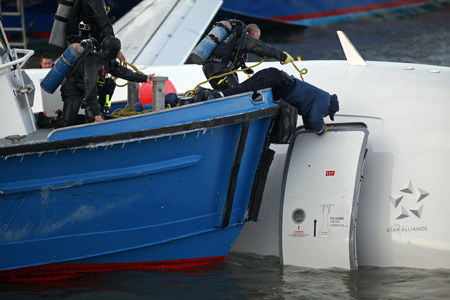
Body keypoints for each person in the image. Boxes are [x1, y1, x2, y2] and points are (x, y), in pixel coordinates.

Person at [38, 36, 154, 129]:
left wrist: (144, 78)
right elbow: (90, 89)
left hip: (87, 88)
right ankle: (46, 121)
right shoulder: (93, 64)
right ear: (112, 51)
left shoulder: (108, 60)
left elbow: (122, 72)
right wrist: (96, 112)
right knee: (67, 123)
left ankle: (102, 110)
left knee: (109, 84)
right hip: (73, 89)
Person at [195, 67, 339, 135]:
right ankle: (212, 95)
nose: (326, 116)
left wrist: (310, 132)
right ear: (329, 109)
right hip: (275, 79)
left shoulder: (318, 99)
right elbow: (315, 119)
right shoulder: (324, 100)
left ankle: (208, 94)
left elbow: (308, 119)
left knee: (242, 90)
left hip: (275, 78)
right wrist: (321, 130)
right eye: (328, 114)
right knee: (242, 90)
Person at [202, 20, 294, 90]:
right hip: (220, 69)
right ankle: (201, 93)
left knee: (224, 93)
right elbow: (263, 48)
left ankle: (205, 98)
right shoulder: (245, 38)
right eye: (258, 37)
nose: (257, 40)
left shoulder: (234, 39)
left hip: (209, 68)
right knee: (237, 93)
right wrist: (283, 56)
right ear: (254, 33)